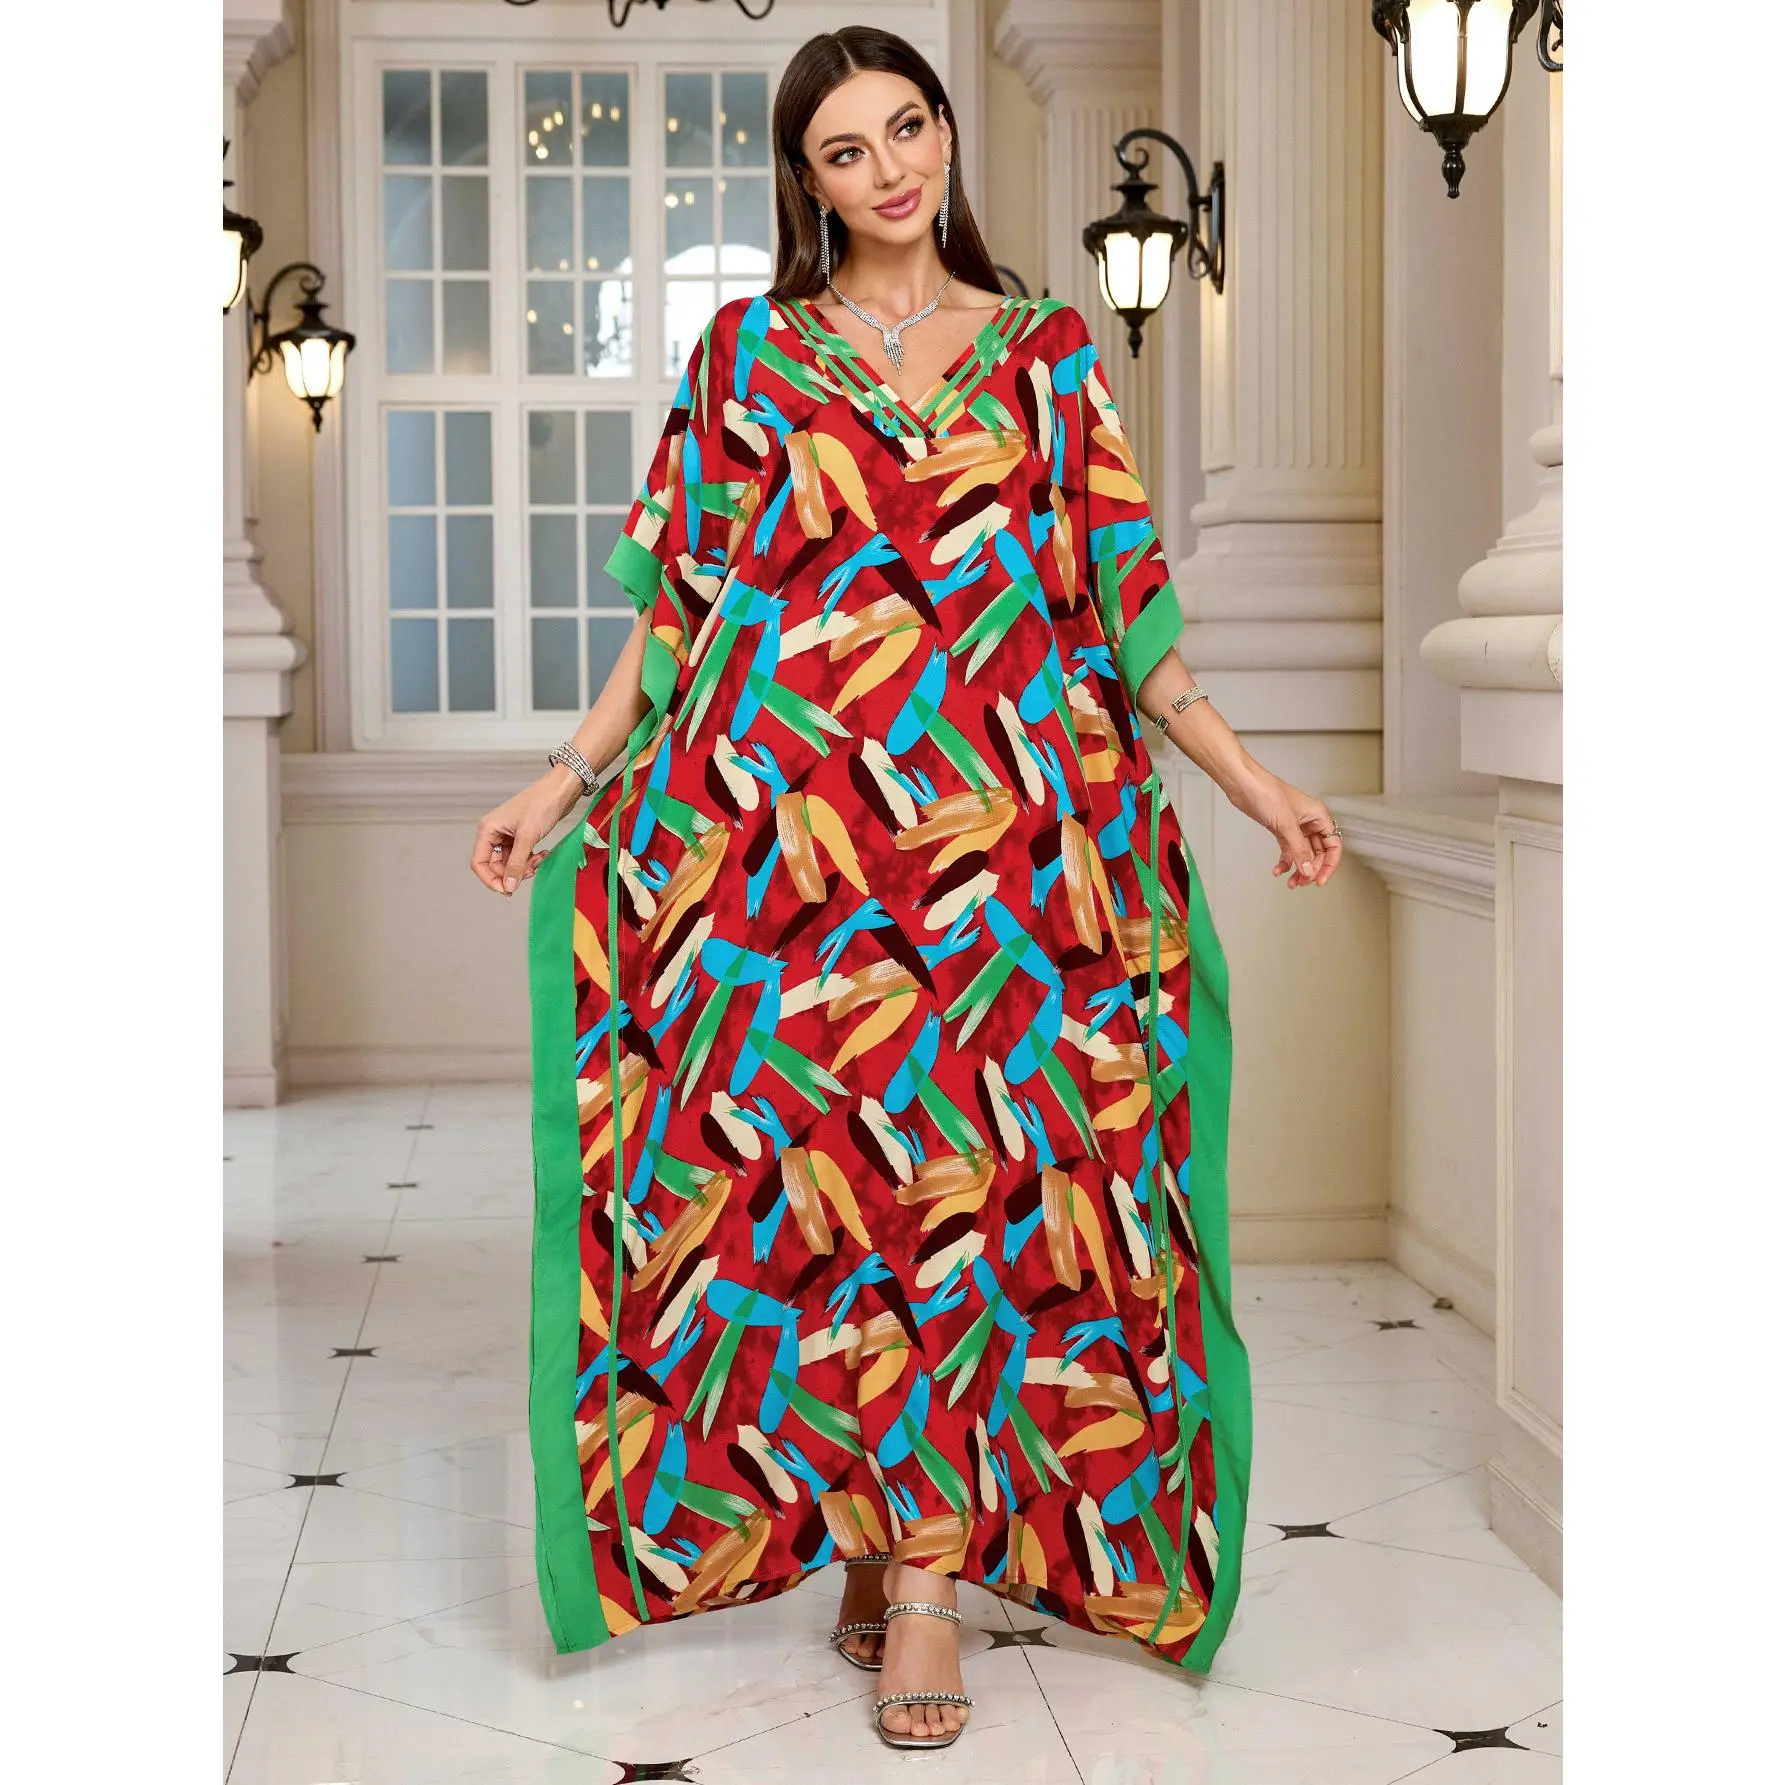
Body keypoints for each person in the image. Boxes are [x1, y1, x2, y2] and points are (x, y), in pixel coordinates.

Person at [471, 25, 1342, 1756]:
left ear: (946, 134)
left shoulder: (1047, 353)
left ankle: (929, 1579)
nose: (892, 169)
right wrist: (557, 780)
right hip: (788, 862)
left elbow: (1125, 606)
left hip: (1015, 864)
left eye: (911, 127)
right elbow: (681, 612)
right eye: (849, 149)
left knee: (988, 1199)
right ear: (806, 181)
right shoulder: (748, 354)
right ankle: (874, 1535)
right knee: (824, 1209)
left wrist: (1254, 779)